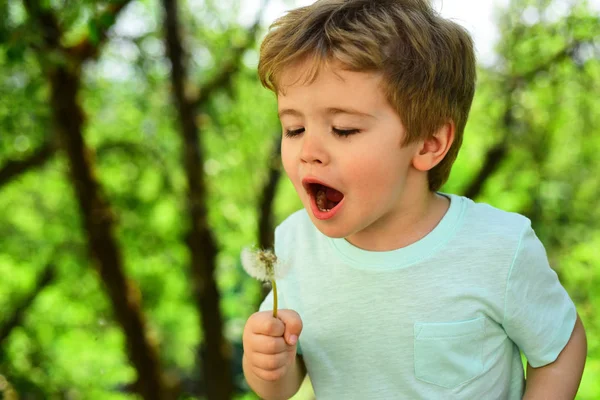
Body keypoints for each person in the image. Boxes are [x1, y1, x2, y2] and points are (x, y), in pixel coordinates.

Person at [241, 0, 587, 399]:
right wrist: (267, 363)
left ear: (428, 143)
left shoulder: (498, 247)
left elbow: (560, 346)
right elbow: (282, 387)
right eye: (295, 128)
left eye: (344, 129)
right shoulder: (296, 244)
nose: (309, 151)